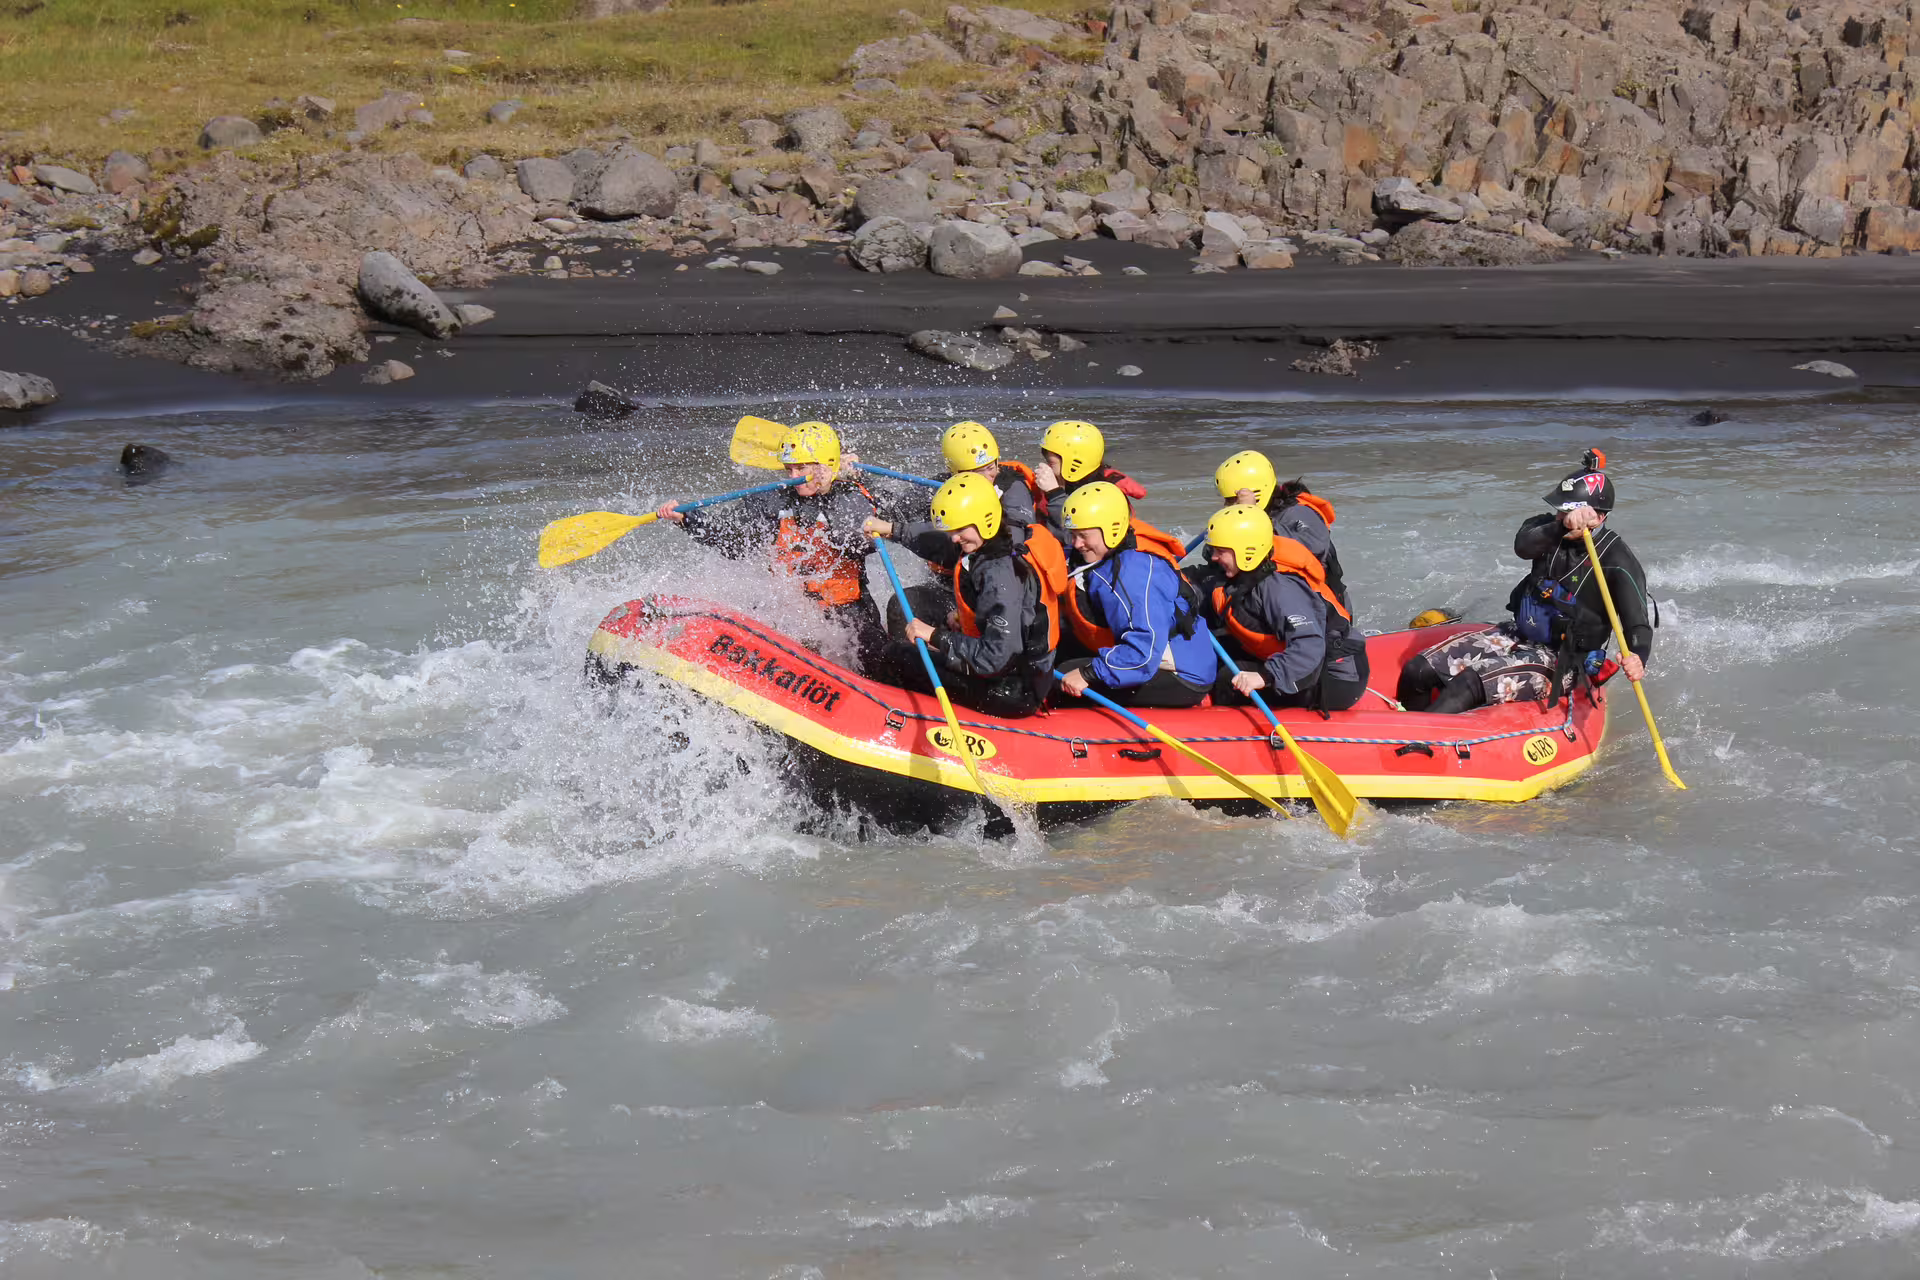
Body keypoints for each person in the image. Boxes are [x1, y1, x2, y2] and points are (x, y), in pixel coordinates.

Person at [1398, 451, 1655, 714]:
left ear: (1599, 517)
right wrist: (1561, 527)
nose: (1560, 515)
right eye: (1560, 510)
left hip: (1564, 659)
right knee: (1417, 670)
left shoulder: (1617, 560)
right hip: (1518, 633)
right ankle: (1404, 733)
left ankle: (1424, 741)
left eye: (1568, 511)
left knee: (1469, 683)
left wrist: (1638, 657)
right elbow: (1523, 546)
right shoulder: (1547, 529)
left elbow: (1638, 624)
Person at [656, 420, 888, 672]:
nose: (794, 478)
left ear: (827, 465)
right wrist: (687, 519)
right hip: (791, 609)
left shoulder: (851, 495)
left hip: (846, 613)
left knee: (876, 656)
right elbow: (733, 540)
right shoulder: (774, 501)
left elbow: (856, 541)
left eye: (802, 468)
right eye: (789, 469)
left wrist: (841, 483)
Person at [863, 472, 1068, 717]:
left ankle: (890, 717)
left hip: (1012, 690)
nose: (954, 537)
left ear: (986, 519)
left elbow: (995, 658)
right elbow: (935, 540)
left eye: (960, 529)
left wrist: (935, 636)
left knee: (894, 655)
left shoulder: (999, 577)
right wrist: (892, 530)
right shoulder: (996, 544)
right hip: (1015, 671)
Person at [1212, 449, 1369, 698]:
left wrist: (1253, 519)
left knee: (1226, 681)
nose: (1227, 507)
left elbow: (1307, 548)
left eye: (1232, 500)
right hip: (1283, 610)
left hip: (1316, 613)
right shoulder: (1253, 528)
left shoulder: (1300, 516)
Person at [1054, 481, 1217, 708]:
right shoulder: (1105, 556)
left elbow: (1143, 653)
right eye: (1073, 535)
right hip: (1143, 656)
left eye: (1083, 536)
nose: (1076, 544)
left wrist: (1088, 673)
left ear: (1112, 529)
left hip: (1178, 675)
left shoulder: (1134, 576)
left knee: (1060, 676)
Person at [1190, 504, 1363, 710]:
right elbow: (1201, 581)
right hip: (1296, 660)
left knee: (1228, 679)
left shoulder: (1280, 589)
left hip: (1331, 677)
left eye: (1220, 551)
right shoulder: (1238, 575)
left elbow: (1309, 646)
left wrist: (1265, 676)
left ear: (1246, 551)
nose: (1215, 557)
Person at [1031, 420, 1147, 540]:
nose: (1046, 467)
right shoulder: (1066, 481)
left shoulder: (1104, 494)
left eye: (1050, 463)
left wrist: (1054, 493)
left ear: (1073, 463)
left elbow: (1076, 540)